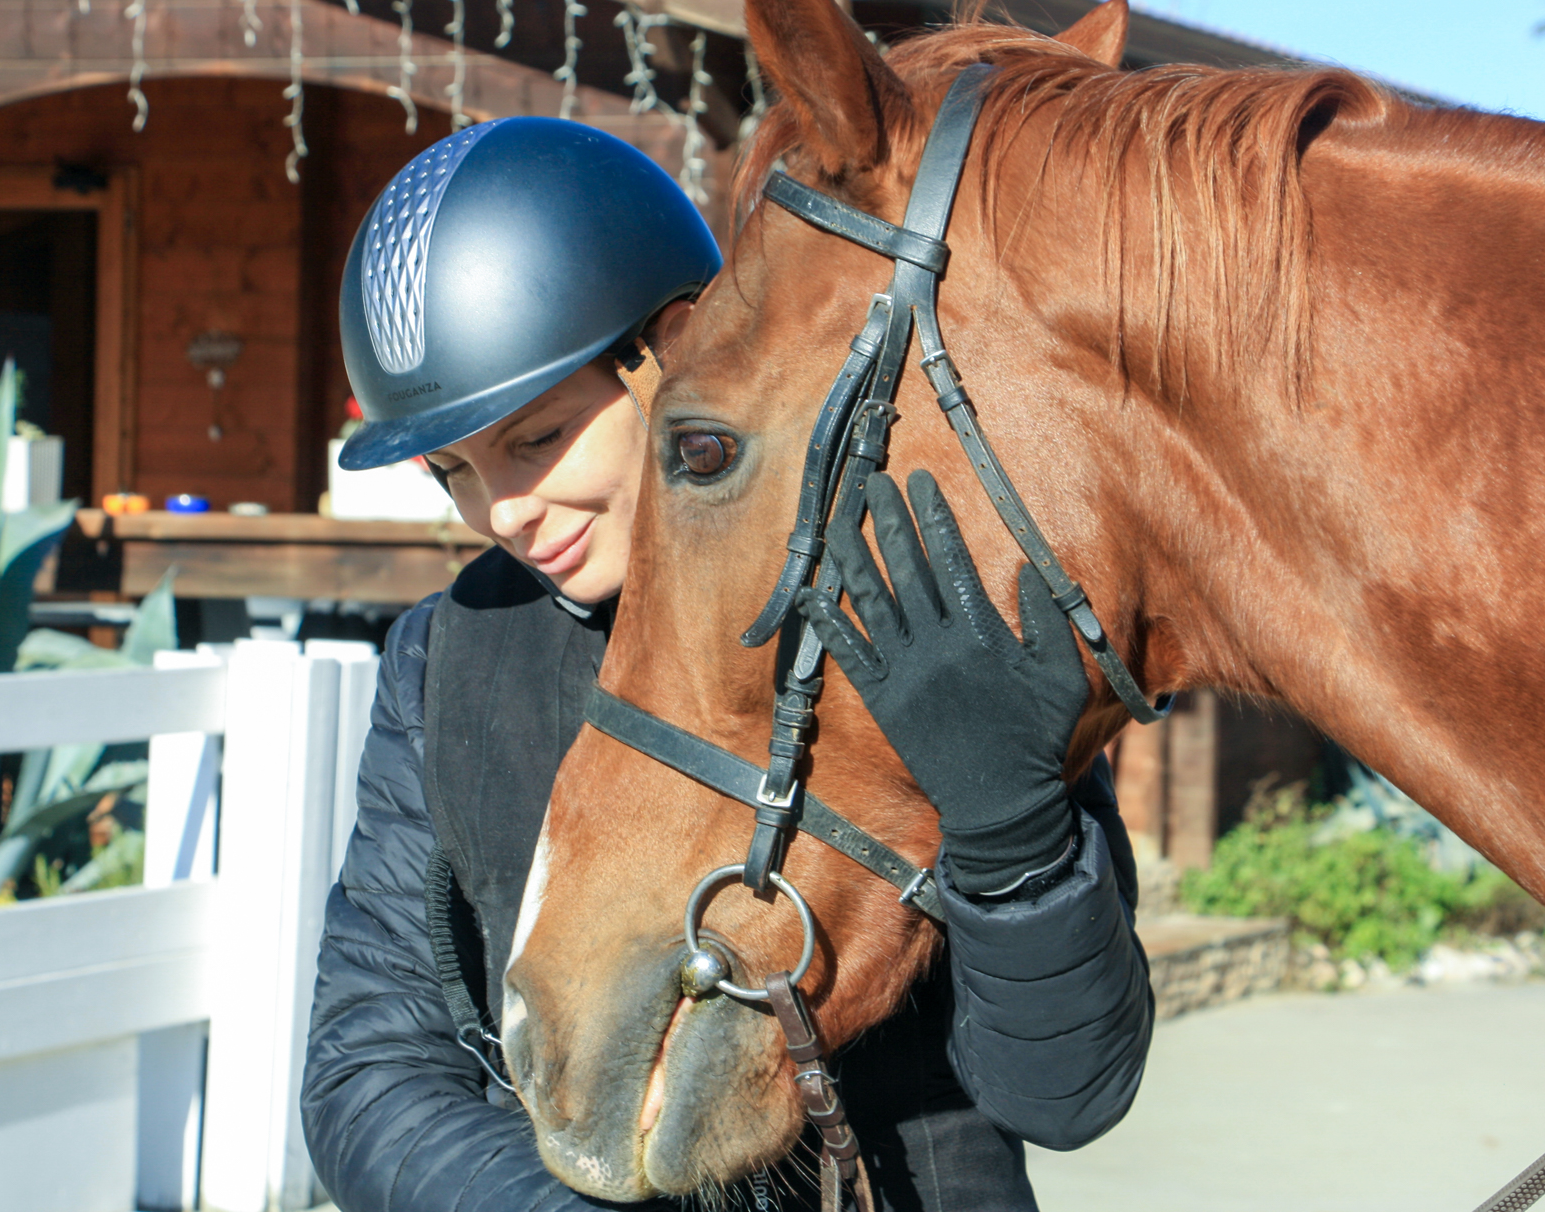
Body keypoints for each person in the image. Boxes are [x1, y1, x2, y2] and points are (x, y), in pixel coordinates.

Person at [301, 116, 1153, 1212]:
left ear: (674, 347)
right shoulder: (444, 653)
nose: (502, 510)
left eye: (537, 437)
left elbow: (1067, 1088)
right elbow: (366, 1065)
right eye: (453, 470)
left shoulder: (898, 596)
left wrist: (1017, 835)